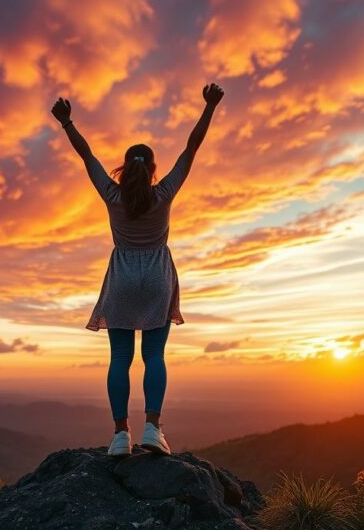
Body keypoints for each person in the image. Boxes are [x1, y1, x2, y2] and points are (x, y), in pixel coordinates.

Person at [51, 83, 225, 457]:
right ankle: (152, 429)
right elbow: (191, 149)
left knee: (119, 359)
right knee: (155, 356)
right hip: (157, 277)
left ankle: (119, 436)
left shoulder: (112, 197)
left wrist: (67, 123)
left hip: (123, 277)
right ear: (152, 170)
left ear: (126, 167)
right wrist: (209, 107)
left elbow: (88, 157)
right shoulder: (163, 194)